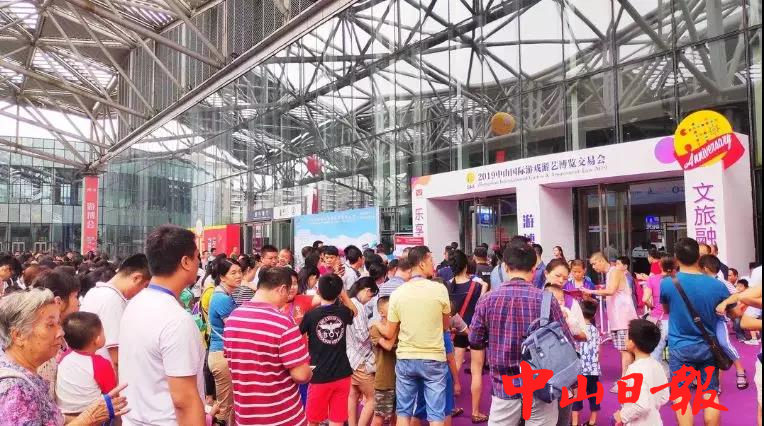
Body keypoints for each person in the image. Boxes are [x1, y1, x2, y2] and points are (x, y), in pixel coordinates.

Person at [469, 241, 575, 425]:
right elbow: (567, 343)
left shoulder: (487, 300)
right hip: (541, 386)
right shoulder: (547, 300)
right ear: (534, 269)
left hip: (504, 386)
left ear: (505, 267)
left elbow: (475, 339)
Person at [0, 288, 128, 425]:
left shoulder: (26, 372)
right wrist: (87, 419)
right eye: (50, 325)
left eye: (58, 324)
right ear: (18, 335)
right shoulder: (15, 389)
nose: (61, 332)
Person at [119, 225, 206, 425]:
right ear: (185, 262)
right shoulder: (176, 320)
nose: (198, 263)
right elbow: (184, 400)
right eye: (196, 257)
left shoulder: (135, 303)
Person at [224, 267, 312, 425]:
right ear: (282, 289)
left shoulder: (233, 319)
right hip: (282, 417)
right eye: (287, 293)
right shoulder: (284, 323)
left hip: (246, 416)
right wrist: (309, 371)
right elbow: (301, 375)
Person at [659, 237, 729, 426]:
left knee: (681, 396)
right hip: (708, 345)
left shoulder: (667, 283)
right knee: (710, 394)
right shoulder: (717, 285)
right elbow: (732, 311)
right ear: (699, 256)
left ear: (676, 257)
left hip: (680, 346)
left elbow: (666, 309)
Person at [377, 246, 450, 426]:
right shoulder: (439, 289)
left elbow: (390, 332)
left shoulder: (398, 293)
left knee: (403, 412)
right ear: (422, 263)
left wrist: (376, 325)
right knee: (436, 415)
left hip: (406, 357)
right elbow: (445, 326)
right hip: (433, 357)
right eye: (431, 260)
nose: (433, 263)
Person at [79, 253, 151, 373]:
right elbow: (115, 355)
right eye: (145, 286)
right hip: (104, 375)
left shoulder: (94, 292)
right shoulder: (113, 300)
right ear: (136, 278)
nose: (143, 292)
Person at [300, 274, 354, 426]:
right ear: (338, 292)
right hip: (342, 373)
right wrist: (344, 295)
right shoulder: (343, 312)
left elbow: (297, 334)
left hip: (319, 375)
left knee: (313, 420)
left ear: (318, 290)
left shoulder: (311, 315)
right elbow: (354, 311)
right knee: (337, 419)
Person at [584, 252, 638, 390]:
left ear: (601, 261)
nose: (593, 267)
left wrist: (591, 291)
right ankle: (628, 379)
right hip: (618, 318)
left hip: (623, 318)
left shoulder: (614, 271)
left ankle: (626, 380)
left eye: (594, 264)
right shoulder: (611, 273)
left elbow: (611, 291)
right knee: (625, 350)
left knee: (625, 350)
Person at [699, 254, 748, 390]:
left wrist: (726, 305)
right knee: (707, 349)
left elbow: (737, 295)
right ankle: (712, 382)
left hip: (718, 321)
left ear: (705, 268)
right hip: (701, 321)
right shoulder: (697, 282)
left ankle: (739, 370)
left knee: (723, 344)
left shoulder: (723, 283)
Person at [56, 312, 117, 418]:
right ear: (97, 340)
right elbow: (113, 395)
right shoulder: (101, 364)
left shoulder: (65, 355)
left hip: (64, 415)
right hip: (91, 417)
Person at [33, 267, 82, 398]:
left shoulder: (60, 332)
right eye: (75, 297)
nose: (78, 303)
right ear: (59, 302)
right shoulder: (46, 345)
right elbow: (47, 399)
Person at [613, 319, 670, 426]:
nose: (625, 339)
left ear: (632, 343)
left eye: (627, 336)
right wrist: (653, 403)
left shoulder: (635, 369)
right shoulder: (657, 365)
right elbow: (664, 396)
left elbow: (641, 405)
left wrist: (622, 416)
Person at [208, 258, 243, 425]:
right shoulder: (222, 298)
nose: (238, 276)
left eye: (240, 272)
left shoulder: (225, 296)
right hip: (221, 355)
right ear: (222, 277)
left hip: (222, 354)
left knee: (229, 405)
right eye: (233, 273)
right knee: (225, 408)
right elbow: (234, 329)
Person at [346, 277, 380, 426]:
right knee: (374, 397)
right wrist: (375, 329)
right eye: (371, 296)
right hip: (360, 359)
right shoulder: (358, 307)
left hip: (349, 358)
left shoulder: (348, 303)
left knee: (353, 395)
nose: (369, 300)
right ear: (367, 291)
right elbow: (362, 335)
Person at [642, 255, 675, 369]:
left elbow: (645, 299)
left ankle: (657, 376)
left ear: (660, 265)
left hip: (657, 319)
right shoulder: (678, 279)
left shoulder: (652, 279)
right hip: (675, 320)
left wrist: (651, 307)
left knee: (655, 352)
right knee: (676, 354)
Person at [571, 300, 601, 426]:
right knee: (593, 395)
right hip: (593, 370)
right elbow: (598, 350)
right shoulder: (595, 331)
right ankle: (592, 421)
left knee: (576, 397)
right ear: (594, 315)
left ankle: (574, 422)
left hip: (579, 370)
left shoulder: (577, 331)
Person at [370, 297, 396, 426]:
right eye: (391, 308)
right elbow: (388, 346)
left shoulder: (397, 327)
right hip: (384, 380)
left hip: (401, 379)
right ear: (381, 312)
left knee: (397, 415)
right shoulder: (375, 328)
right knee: (379, 416)